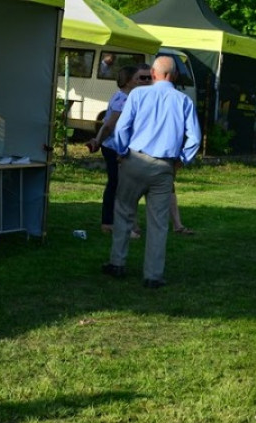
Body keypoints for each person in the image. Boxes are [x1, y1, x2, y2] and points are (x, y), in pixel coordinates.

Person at [103, 55, 201, 289]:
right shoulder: (184, 100)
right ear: (174, 75)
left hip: (134, 160)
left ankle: (117, 263)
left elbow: (123, 127)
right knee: (158, 222)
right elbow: (195, 138)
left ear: (154, 74)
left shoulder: (137, 94)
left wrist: (121, 151)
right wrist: (181, 160)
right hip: (164, 167)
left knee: (124, 211)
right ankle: (153, 275)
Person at [86, 64, 150, 238]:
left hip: (118, 147)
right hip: (115, 148)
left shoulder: (127, 97)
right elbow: (109, 126)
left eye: (148, 77)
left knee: (118, 186)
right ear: (129, 81)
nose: (146, 81)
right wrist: (98, 141)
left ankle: (114, 223)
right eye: (141, 78)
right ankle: (116, 224)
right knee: (120, 187)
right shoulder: (124, 99)